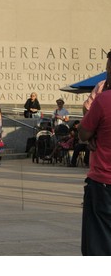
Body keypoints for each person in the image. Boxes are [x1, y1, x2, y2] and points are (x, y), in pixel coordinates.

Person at [78, 86, 111, 256]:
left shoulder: (104, 99)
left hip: (104, 183)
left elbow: (83, 132)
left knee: (98, 246)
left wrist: (93, 134)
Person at [83, 51, 111, 115]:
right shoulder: (101, 86)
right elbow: (87, 108)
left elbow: (87, 108)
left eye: (108, 69)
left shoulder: (101, 86)